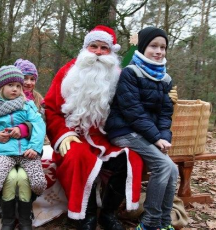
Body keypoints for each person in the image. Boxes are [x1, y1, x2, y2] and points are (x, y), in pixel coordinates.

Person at [44, 25, 144, 230]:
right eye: (93, 46)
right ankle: (85, 216)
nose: (98, 52)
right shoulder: (68, 71)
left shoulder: (119, 76)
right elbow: (51, 109)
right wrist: (63, 135)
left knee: (130, 158)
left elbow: (134, 106)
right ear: (85, 48)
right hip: (74, 135)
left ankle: (109, 213)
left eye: (104, 48)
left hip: (107, 137)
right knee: (77, 157)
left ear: (111, 52)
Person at [105, 27, 178, 230]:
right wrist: (155, 137)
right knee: (163, 166)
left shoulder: (165, 79)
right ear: (143, 47)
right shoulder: (131, 73)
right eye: (153, 46)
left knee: (172, 169)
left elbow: (165, 113)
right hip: (124, 131)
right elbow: (132, 112)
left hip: (147, 133)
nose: (159, 51)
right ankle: (149, 223)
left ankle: (164, 222)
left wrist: (163, 136)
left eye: (163, 47)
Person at [0, 65, 47, 230]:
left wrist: (35, 148)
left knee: (39, 184)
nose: (15, 89)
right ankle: (7, 217)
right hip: (4, 153)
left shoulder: (26, 104)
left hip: (27, 153)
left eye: (18, 86)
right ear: (1, 86)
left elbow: (39, 125)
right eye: (10, 85)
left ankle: (25, 214)